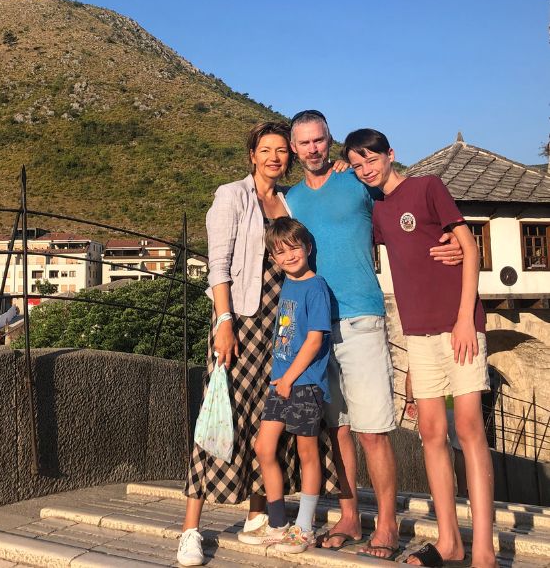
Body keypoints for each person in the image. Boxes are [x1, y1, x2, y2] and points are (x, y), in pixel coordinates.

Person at [286, 110, 461, 559]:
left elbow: (403, 214)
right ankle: (349, 516)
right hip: (316, 328)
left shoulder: (357, 181)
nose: (313, 149)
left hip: (362, 317)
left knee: (373, 431)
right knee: (338, 429)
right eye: (304, 142)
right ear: (294, 148)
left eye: (319, 140)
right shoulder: (293, 201)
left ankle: (386, 523)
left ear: (330, 141)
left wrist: (453, 242)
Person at [177, 121, 339, 567]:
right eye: (265, 150)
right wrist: (223, 320)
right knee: (219, 412)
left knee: (263, 418)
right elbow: (218, 264)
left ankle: (258, 515)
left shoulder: (288, 199)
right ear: (252, 154)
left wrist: (340, 167)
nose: (275, 157)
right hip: (241, 319)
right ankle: (191, 528)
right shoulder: (232, 195)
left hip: (280, 326)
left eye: (281, 150)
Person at [343, 128, 495, 568]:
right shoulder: (378, 211)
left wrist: (465, 318)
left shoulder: (428, 187)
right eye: (357, 164)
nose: (366, 169)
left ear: (391, 154)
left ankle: (483, 548)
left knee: (468, 428)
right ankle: (450, 542)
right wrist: (339, 169)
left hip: (459, 326)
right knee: (431, 432)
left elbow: (469, 247)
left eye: (371, 159)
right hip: (418, 334)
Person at [237, 217, 331, 554]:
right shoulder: (286, 285)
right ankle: (278, 525)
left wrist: (289, 378)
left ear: (307, 247)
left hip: (304, 383)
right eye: (280, 252)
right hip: (281, 383)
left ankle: (303, 527)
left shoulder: (316, 286)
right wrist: (282, 380)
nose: (288, 255)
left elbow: (315, 340)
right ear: (273, 259)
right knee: (264, 448)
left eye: (293, 247)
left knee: (307, 453)